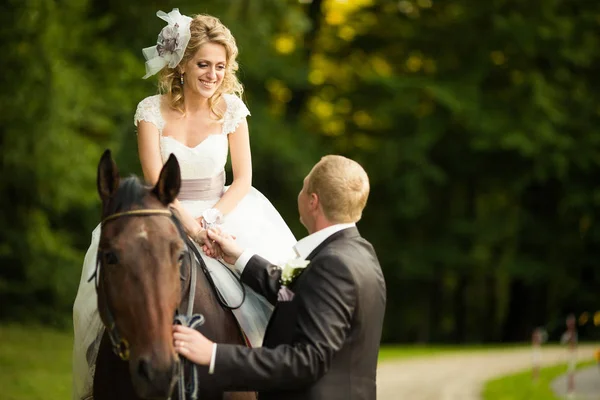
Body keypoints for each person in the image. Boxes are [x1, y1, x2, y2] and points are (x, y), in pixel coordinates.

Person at [72, 9, 297, 400]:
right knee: (94, 295)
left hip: (226, 211)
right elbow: (158, 181)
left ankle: (265, 381)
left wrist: (211, 220)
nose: (212, 74)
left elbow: (242, 179)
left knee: (276, 296)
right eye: (203, 64)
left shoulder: (232, 111)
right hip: (160, 212)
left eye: (220, 66)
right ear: (182, 65)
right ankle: (96, 381)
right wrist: (189, 226)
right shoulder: (150, 111)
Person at [173, 155, 387, 400]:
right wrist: (238, 256)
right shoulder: (356, 253)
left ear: (312, 201)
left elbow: (306, 361)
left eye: (304, 187)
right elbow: (290, 289)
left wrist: (213, 354)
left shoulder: (331, 264)